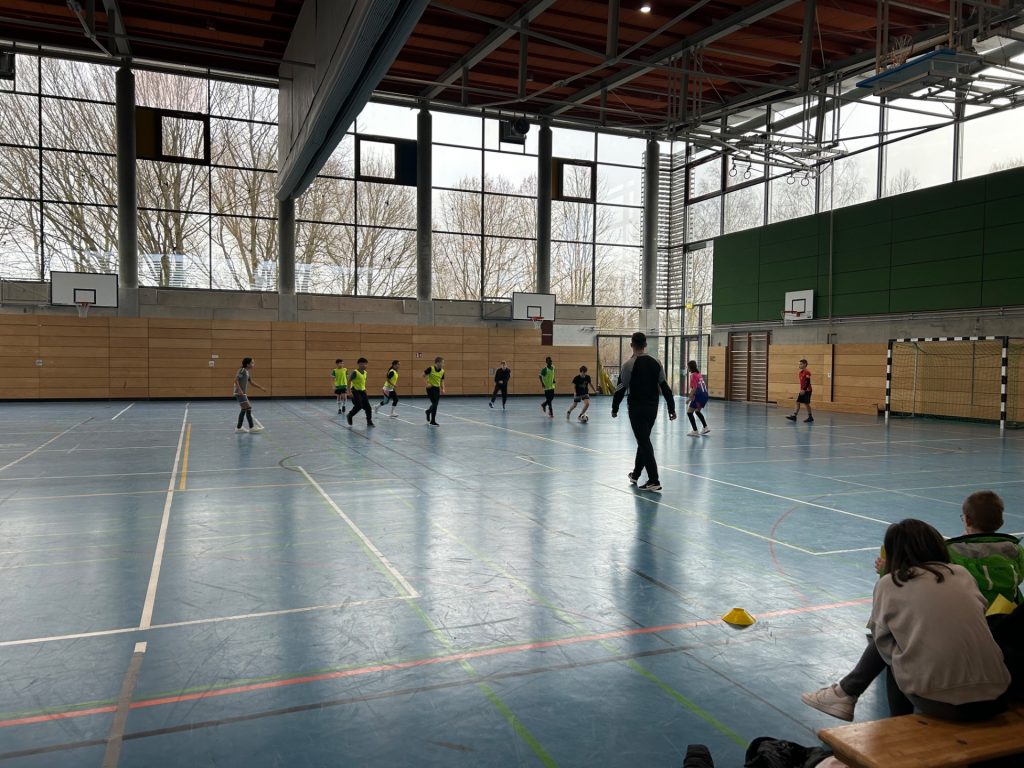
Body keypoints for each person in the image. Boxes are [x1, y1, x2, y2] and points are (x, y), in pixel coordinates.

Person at [802, 491, 1023, 721]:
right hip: (998, 696)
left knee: (896, 651)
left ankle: (881, 714)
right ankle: (846, 694)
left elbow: (881, 641)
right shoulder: (960, 573)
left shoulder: (891, 583)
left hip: (951, 705)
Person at [611, 332, 677, 492]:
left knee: (644, 442)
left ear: (631, 345)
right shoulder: (656, 362)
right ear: (645, 344)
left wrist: (615, 407)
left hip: (636, 409)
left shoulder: (628, 365)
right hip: (653, 408)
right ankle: (635, 475)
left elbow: (620, 388)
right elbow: (665, 387)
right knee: (644, 439)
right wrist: (671, 408)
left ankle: (654, 480)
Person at [234, 357, 267, 433]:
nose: (253, 364)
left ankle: (239, 427)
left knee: (244, 409)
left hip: (243, 393)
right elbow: (236, 380)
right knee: (248, 408)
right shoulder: (242, 370)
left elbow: (251, 382)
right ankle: (251, 427)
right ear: (247, 364)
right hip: (239, 393)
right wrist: (239, 390)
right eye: (252, 363)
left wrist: (261, 387)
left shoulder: (247, 372)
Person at [346, 357, 374, 428]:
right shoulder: (355, 372)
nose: (365, 365)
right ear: (359, 364)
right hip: (355, 391)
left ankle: (369, 421)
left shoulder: (365, 373)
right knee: (359, 406)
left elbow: (363, 382)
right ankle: (350, 415)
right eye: (364, 364)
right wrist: (349, 392)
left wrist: (365, 389)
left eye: (366, 364)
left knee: (368, 407)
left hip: (363, 391)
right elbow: (349, 381)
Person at [685, 360, 710, 436]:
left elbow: (694, 388)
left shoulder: (692, 375)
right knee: (697, 411)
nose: (687, 368)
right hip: (705, 395)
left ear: (690, 367)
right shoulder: (699, 374)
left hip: (699, 396)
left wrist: (689, 398)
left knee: (689, 412)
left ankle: (695, 431)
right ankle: (705, 427)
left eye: (688, 366)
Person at [423, 356, 445, 426]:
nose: (443, 364)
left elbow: (442, 381)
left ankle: (430, 416)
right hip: (430, 388)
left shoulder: (442, 371)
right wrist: (427, 384)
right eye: (442, 363)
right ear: (437, 363)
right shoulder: (431, 368)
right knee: (434, 404)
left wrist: (443, 388)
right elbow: (423, 375)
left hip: (437, 389)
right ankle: (429, 414)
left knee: (435, 404)